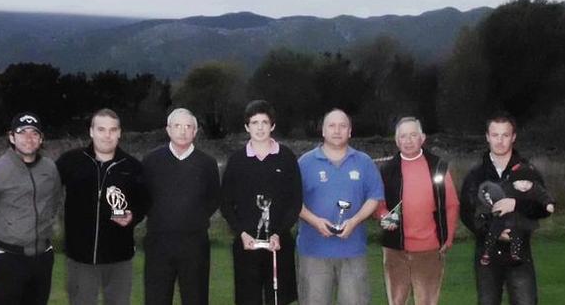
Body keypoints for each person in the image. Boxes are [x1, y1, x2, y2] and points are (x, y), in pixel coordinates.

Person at [460, 113, 554, 305]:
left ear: (513, 137)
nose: (500, 141)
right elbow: (467, 213)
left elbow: (543, 208)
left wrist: (517, 204)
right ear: (487, 137)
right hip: (486, 254)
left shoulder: (528, 172)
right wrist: (491, 231)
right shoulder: (476, 175)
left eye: (505, 135)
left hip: (520, 254)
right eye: (495, 135)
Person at [56, 108, 148, 305]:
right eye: (101, 129)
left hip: (119, 259)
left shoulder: (132, 167)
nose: (107, 135)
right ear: (91, 131)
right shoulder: (70, 162)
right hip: (80, 258)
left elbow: (144, 201)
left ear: (119, 133)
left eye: (113, 130)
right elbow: (46, 189)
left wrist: (133, 216)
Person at [0, 112, 61, 305]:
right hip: (9, 260)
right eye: (22, 132)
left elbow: (54, 202)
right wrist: (2, 238)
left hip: (42, 258)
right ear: (11, 136)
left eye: (34, 133)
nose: (29, 138)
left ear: (41, 138)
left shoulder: (50, 168)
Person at [297, 109, 384, 305]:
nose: (337, 131)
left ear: (350, 131)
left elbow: (374, 197)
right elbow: (293, 202)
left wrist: (354, 221)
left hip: (352, 250)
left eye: (343, 126)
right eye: (332, 125)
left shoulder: (364, 162)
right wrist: (314, 221)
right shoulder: (304, 163)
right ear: (323, 131)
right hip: (314, 252)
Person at [220, 100, 303, 305]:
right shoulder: (237, 160)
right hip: (247, 245)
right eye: (254, 122)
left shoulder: (286, 157)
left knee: (278, 299)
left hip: (279, 244)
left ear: (272, 125)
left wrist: (279, 232)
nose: (259, 127)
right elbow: (225, 202)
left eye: (264, 122)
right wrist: (241, 232)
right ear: (247, 127)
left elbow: (295, 201)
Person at [374, 117, 459, 305]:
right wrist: (383, 216)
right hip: (395, 249)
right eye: (403, 136)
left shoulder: (438, 166)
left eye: (413, 135)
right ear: (397, 141)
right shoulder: (387, 170)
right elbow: (378, 204)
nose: (408, 140)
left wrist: (449, 237)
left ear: (422, 138)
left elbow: (451, 204)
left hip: (429, 248)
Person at [142, 108, 221, 305]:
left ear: (195, 132)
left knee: (196, 298)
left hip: (194, 245)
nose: (183, 131)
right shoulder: (151, 161)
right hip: (158, 244)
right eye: (177, 126)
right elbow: (143, 197)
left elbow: (213, 198)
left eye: (188, 126)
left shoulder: (207, 163)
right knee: (156, 298)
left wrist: (193, 219)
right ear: (168, 130)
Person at [477, 164, 555, 266]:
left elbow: (543, 196)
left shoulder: (535, 189)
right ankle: (487, 252)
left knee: (518, 236)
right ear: (513, 181)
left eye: (529, 182)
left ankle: (514, 254)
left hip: (520, 221)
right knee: (493, 232)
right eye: (522, 181)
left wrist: (549, 204)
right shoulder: (505, 187)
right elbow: (492, 195)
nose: (525, 185)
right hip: (502, 218)